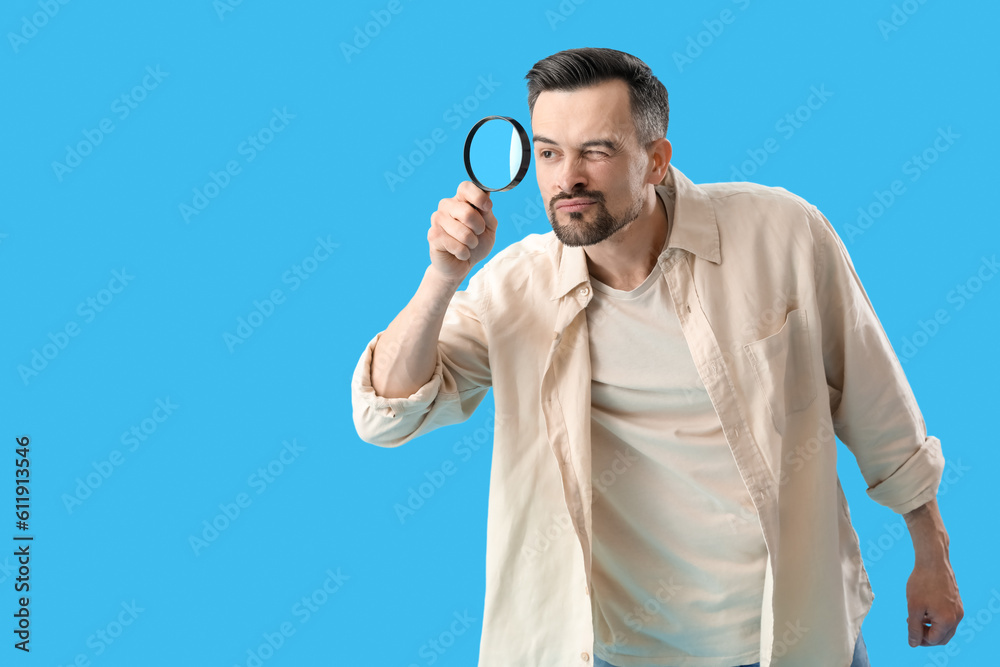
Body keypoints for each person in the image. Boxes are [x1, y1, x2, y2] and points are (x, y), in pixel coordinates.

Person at [351, 47, 963, 667]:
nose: (568, 179)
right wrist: (441, 278)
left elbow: (874, 400)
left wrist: (931, 555)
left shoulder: (783, 233)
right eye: (548, 153)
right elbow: (386, 414)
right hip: (621, 653)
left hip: (797, 633)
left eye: (597, 150)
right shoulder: (514, 289)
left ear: (656, 160)